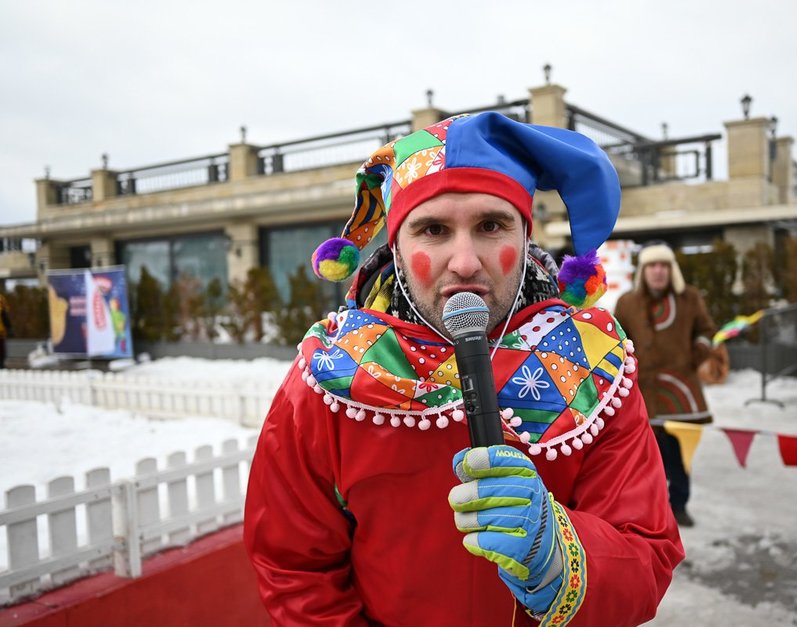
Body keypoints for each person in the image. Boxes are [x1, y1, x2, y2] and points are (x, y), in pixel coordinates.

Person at [243, 112, 683, 626]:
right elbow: (294, 567)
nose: (466, 261)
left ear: (524, 234)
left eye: (490, 225)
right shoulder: (330, 375)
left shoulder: (591, 363)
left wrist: (560, 556)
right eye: (433, 230)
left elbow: (646, 556)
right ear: (398, 249)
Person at [613, 242, 716, 528]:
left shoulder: (690, 299)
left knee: (681, 455)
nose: (658, 271)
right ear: (643, 271)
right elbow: (617, 341)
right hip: (642, 394)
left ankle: (679, 506)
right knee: (645, 456)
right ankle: (649, 510)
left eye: (664, 266)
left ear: (672, 270)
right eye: (652, 266)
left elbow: (706, 331)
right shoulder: (627, 302)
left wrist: (697, 355)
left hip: (681, 393)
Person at [0, 291, 11, 369]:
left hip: (0, 331)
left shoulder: (0, 299)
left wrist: (9, 327)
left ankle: (1, 364)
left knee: (1, 349)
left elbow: (4, 315)